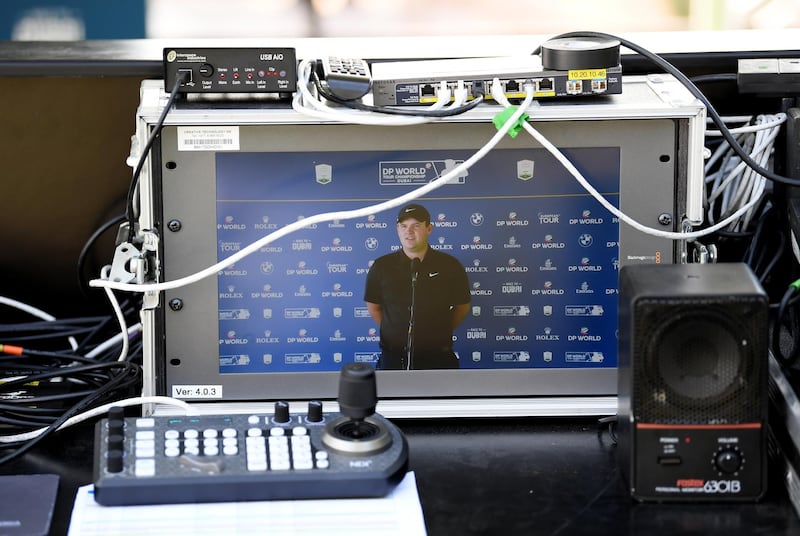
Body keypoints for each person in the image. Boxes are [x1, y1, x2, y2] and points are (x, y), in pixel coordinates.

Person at [364, 203, 471, 370]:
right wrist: (398, 332)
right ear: (397, 229)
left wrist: (437, 332)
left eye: (416, 226)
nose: (409, 231)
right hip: (393, 358)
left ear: (429, 228)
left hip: (438, 358)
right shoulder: (382, 266)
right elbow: (374, 308)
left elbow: (462, 307)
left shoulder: (450, 265)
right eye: (404, 226)